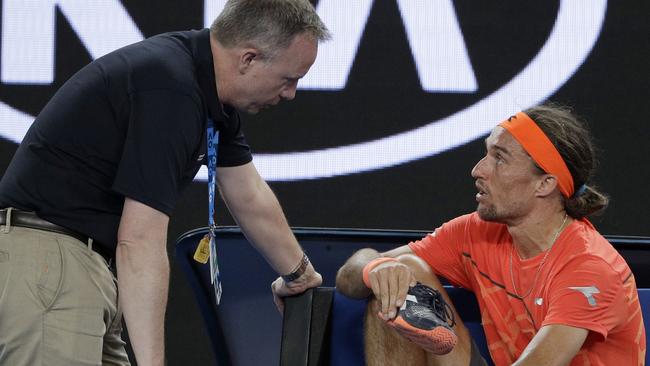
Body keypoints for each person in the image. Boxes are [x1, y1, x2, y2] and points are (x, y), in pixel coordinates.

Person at [0, 0, 330, 365]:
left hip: (72, 267)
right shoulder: (170, 89)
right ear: (248, 59)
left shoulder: (206, 94)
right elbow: (139, 240)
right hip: (51, 263)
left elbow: (248, 195)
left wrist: (300, 274)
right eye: (289, 79)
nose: (291, 94)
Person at [336, 104, 646, 366]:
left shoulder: (589, 266)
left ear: (545, 184)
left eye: (500, 158)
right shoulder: (475, 232)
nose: (478, 170)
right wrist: (374, 269)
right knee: (399, 276)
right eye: (487, 154)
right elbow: (347, 278)